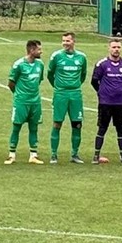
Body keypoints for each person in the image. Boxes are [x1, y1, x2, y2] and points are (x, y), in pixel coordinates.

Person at [47, 32, 89, 164]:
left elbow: (83, 75)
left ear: (73, 42)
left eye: (68, 41)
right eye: (63, 41)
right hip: (60, 94)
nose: (65, 43)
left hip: (75, 94)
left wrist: (74, 86)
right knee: (57, 123)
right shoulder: (56, 56)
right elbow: (50, 74)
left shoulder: (82, 57)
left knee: (77, 124)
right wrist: (59, 87)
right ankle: (54, 154)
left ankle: (75, 154)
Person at [91, 39, 122, 164]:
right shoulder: (102, 64)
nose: (116, 49)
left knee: (121, 129)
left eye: (118, 47)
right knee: (102, 128)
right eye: (114, 47)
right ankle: (96, 155)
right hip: (105, 103)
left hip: (120, 103)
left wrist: (120, 90)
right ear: (109, 48)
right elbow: (94, 81)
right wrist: (102, 92)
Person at [7, 39, 45, 164]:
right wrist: (19, 95)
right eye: (39, 49)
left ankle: (33, 155)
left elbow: (39, 80)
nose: (41, 51)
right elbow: (11, 83)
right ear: (31, 50)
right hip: (21, 101)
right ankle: (11, 155)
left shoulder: (40, 64)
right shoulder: (19, 64)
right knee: (16, 127)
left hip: (35, 102)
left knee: (34, 128)